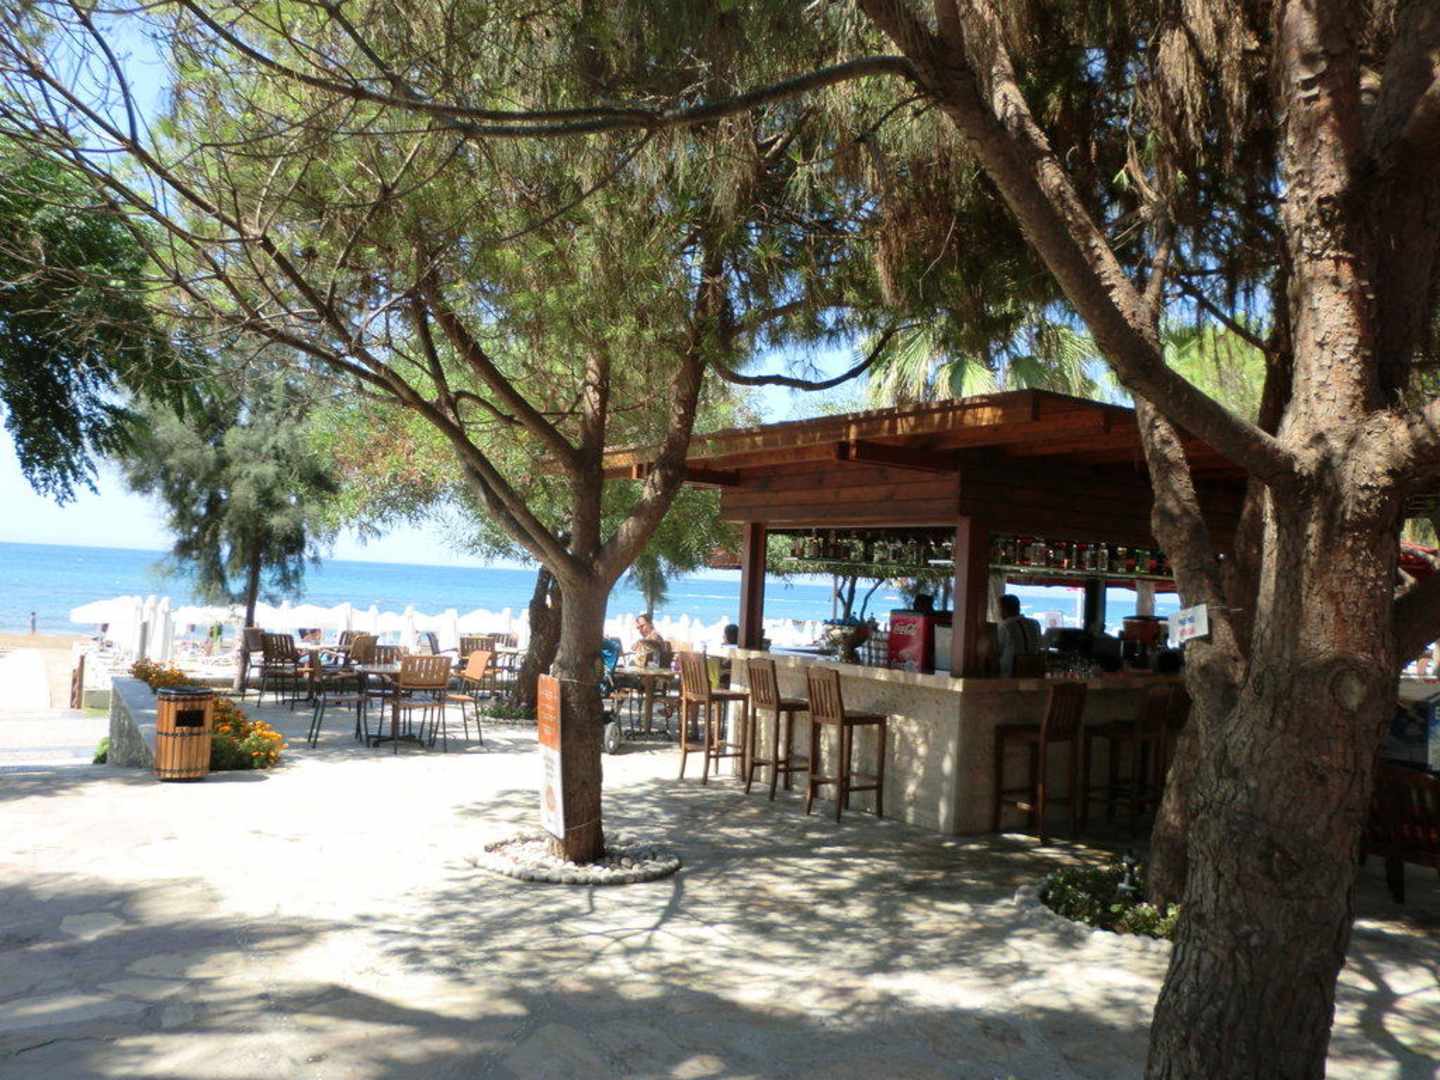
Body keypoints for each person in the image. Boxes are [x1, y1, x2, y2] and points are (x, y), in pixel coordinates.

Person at [996, 594, 1042, 676]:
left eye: (999, 609)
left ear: (1004, 610)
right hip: (1034, 672)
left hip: (1010, 674)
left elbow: (997, 650)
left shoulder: (1005, 626)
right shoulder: (1035, 623)